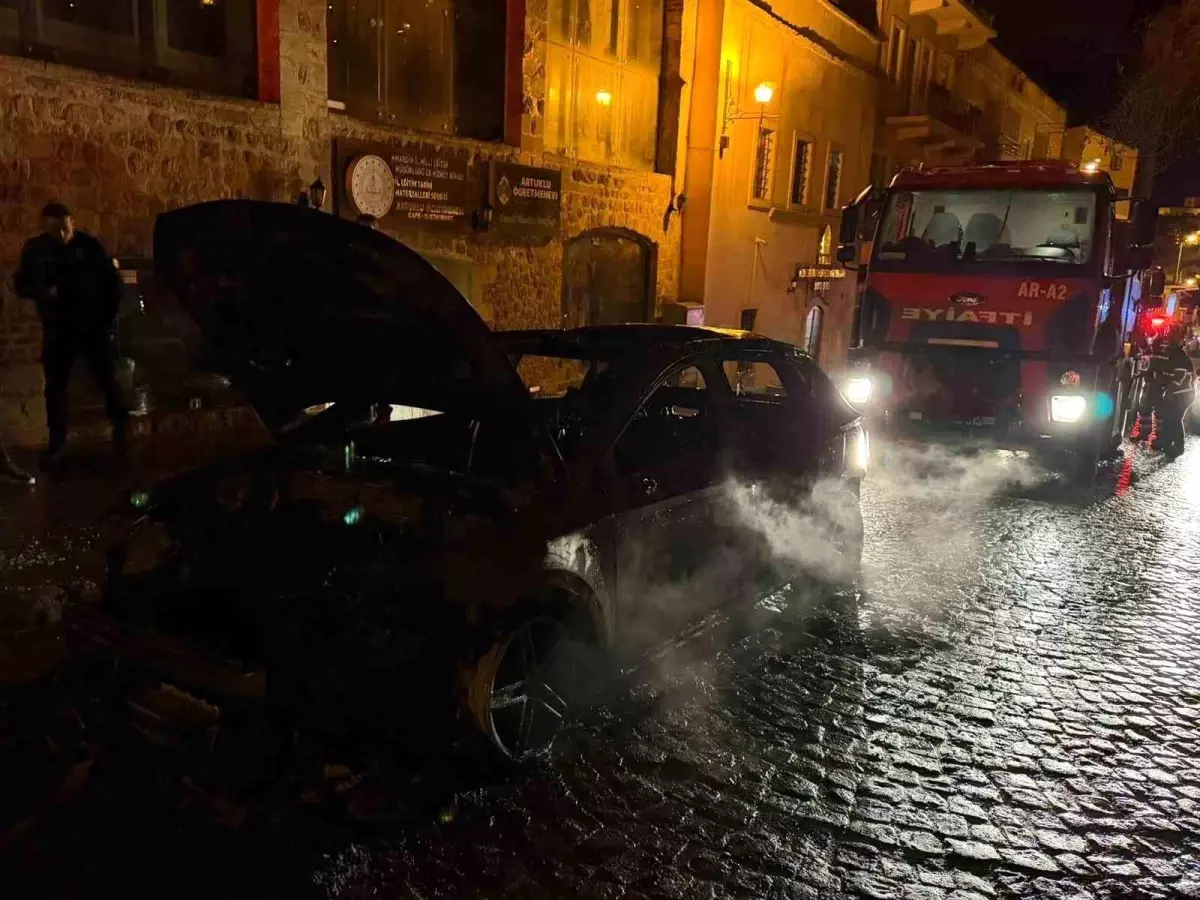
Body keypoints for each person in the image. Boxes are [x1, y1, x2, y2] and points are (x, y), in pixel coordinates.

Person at [14, 202, 128, 469]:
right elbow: (21, 284)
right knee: (56, 387)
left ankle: (122, 435)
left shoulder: (88, 247)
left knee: (107, 381)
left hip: (92, 326)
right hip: (58, 328)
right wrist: (44, 292)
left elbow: (113, 283)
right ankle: (57, 445)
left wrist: (106, 319)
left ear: (72, 224)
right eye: (55, 231)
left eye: (65, 229)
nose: (61, 236)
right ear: (45, 228)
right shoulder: (36, 250)